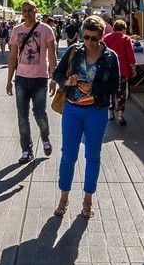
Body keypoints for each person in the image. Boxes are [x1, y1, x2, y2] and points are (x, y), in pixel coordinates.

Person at [51, 15, 120, 220]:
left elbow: (115, 85)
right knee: (68, 156)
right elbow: (56, 73)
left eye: (94, 38)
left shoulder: (110, 57)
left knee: (93, 156)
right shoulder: (74, 51)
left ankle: (88, 199)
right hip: (72, 110)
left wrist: (95, 87)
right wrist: (67, 81)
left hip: (96, 111)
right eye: (87, 37)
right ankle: (64, 197)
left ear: (101, 36)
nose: (90, 42)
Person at [6, 0, 58, 162]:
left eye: (30, 10)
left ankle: (45, 138)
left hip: (40, 78)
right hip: (21, 78)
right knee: (22, 116)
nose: (27, 13)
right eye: (24, 10)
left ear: (36, 11)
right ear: (21, 12)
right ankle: (26, 150)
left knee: (40, 114)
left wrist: (53, 78)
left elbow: (52, 55)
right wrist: (9, 80)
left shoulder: (46, 29)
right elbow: (13, 56)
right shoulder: (16, 31)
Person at [101, 20, 136, 126]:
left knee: (110, 92)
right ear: (123, 29)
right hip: (123, 70)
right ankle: (120, 115)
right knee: (121, 93)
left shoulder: (106, 38)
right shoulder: (125, 38)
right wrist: (133, 68)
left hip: (109, 70)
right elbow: (130, 54)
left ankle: (111, 113)